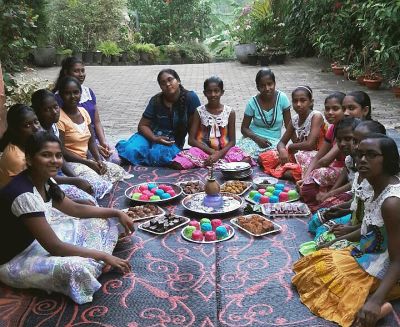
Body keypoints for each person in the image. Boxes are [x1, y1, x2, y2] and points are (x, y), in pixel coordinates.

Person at [0, 131, 134, 304]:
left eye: (58, 155)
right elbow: (56, 247)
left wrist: (117, 213)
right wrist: (103, 256)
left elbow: (76, 209)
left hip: (36, 242)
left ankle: (97, 262)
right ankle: (98, 261)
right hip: (14, 260)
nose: (55, 161)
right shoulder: (23, 195)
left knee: (101, 221)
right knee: (77, 269)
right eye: (46, 155)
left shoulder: (45, 179)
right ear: (30, 159)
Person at [292, 134, 400, 327]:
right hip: (369, 253)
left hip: (389, 266)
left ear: (389, 159)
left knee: (339, 290)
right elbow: (370, 228)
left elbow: (397, 259)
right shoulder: (371, 184)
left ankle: (381, 304)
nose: (362, 160)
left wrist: (375, 302)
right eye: (359, 155)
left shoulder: (392, 202)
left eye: (371, 155)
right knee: (317, 268)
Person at [56, 77, 130, 196]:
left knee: (116, 171)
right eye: (67, 93)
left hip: (86, 159)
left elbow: (91, 141)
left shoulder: (83, 112)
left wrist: (98, 160)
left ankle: (96, 179)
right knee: (96, 184)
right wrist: (87, 163)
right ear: (60, 96)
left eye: (75, 92)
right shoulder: (60, 118)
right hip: (72, 162)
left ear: (80, 93)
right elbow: (61, 150)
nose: (72, 96)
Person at [116, 68, 201, 166]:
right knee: (130, 150)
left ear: (178, 81)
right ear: (160, 86)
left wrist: (199, 150)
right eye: (163, 83)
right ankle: (139, 155)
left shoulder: (191, 98)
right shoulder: (156, 100)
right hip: (149, 136)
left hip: (170, 142)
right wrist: (154, 138)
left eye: (170, 80)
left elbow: (195, 129)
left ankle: (140, 157)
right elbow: (142, 126)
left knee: (158, 155)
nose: (168, 84)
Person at [171, 76, 254, 169]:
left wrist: (218, 154)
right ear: (204, 93)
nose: (213, 94)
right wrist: (212, 152)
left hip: (224, 152)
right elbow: (191, 140)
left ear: (222, 92)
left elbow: (232, 141)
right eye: (209, 91)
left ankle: (210, 164)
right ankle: (220, 165)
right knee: (178, 163)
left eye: (216, 91)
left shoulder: (230, 112)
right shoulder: (199, 111)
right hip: (203, 151)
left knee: (247, 160)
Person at [53, 57, 120, 163]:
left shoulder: (88, 92)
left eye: (82, 70)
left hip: (93, 138)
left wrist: (103, 141)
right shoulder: (59, 98)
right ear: (66, 72)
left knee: (115, 159)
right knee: (99, 163)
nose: (81, 74)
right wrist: (94, 148)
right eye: (76, 71)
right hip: (76, 142)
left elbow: (97, 122)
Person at [259, 86, 325, 181]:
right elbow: (282, 142)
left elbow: (310, 145)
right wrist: (282, 151)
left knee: (289, 173)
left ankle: (288, 169)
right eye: (295, 101)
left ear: (311, 102)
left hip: (315, 155)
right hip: (299, 153)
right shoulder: (295, 119)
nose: (298, 104)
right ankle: (286, 167)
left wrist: (290, 147)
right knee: (263, 158)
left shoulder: (316, 116)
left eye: (303, 100)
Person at [296, 92, 346, 212]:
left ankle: (315, 199)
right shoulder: (333, 128)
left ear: (344, 110)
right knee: (304, 155)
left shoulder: (346, 131)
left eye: (335, 109)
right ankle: (311, 185)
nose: (330, 112)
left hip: (345, 169)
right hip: (335, 164)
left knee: (318, 173)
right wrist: (306, 177)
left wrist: (309, 177)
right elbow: (319, 155)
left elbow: (325, 160)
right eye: (327, 109)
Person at [236, 69, 291, 159]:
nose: (267, 88)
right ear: (258, 87)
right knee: (243, 157)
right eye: (262, 86)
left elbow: (289, 126)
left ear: (274, 84)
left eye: (270, 84)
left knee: (276, 158)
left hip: (275, 142)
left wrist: (294, 145)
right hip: (253, 140)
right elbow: (244, 128)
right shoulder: (252, 103)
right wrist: (257, 139)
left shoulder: (282, 98)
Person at [0, 104, 41, 186]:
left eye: (36, 122)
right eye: (27, 125)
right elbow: (30, 188)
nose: (36, 128)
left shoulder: (29, 144)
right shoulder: (17, 159)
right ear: (15, 130)